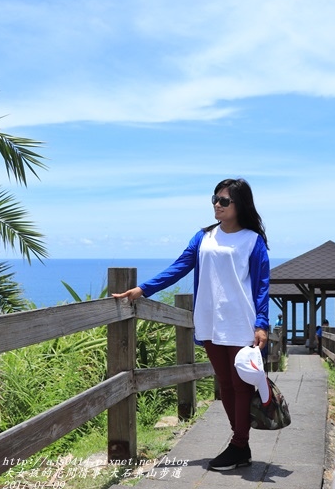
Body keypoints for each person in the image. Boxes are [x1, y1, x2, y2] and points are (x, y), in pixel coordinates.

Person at [112, 178, 270, 472]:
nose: (217, 205)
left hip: (240, 322)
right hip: (209, 322)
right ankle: (241, 446)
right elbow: (178, 267)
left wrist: (261, 324)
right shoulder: (203, 237)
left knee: (240, 385)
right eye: (215, 198)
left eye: (224, 201)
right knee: (225, 384)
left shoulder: (252, 240)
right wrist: (142, 289)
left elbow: (261, 286)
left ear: (240, 205)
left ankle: (238, 444)